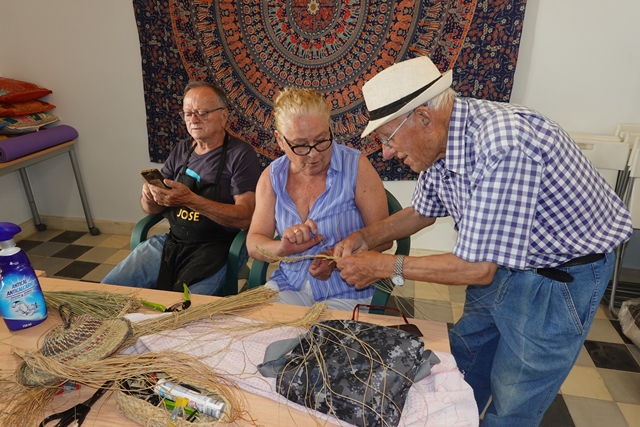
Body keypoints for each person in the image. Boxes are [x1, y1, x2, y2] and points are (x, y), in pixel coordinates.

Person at [333, 56, 633, 426]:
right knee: (463, 364)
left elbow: (477, 268)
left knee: (512, 399)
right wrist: (366, 237)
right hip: (503, 264)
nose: (387, 153)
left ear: (424, 118)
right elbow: (423, 211)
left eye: (386, 139)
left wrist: (384, 265)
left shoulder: (505, 145)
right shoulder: (442, 143)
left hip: (558, 280)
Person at [103, 81, 261, 295]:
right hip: (172, 242)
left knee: (183, 309)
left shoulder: (241, 155)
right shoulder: (181, 150)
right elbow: (152, 210)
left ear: (224, 115)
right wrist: (149, 197)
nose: (193, 120)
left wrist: (190, 199)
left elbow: (245, 217)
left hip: (217, 248)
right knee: (109, 290)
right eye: (188, 113)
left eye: (203, 113)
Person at [246, 87, 390, 311]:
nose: (314, 154)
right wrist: (282, 248)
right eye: (301, 145)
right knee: (256, 333)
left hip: (348, 289)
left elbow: (384, 237)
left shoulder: (356, 167)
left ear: (330, 129)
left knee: (324, 342)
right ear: (280, 141)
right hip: (289, 286)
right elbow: (254, 242)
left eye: (322, 140)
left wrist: (335, 259)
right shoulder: (272, 177)